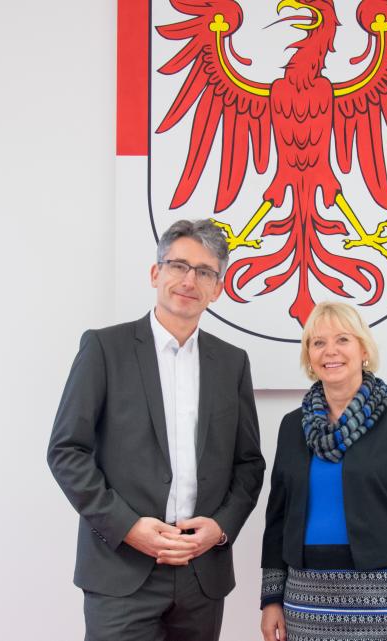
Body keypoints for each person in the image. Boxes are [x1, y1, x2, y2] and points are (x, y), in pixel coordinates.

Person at [48, 219, 265, 641]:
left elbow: (249, 464)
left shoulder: (232, 362)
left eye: (204, 272)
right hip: (120, 571)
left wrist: (219, 529)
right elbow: (66, 451)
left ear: (218, 288)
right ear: (155, 273)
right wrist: (128, 527)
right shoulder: (104, 348)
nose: (189, 280)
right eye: (178, 265)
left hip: (202, 577)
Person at [260, 301, 387, 641]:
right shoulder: (292, 426)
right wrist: (272, 599)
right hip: (306, 601)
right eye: (318, 343)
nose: (330, 351)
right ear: (309, 356)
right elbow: (277, 518)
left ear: (363, 348)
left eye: (342, 340)